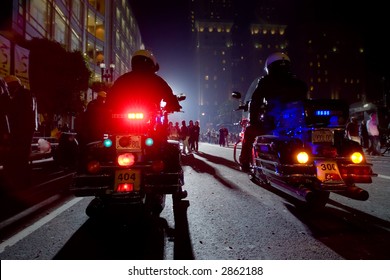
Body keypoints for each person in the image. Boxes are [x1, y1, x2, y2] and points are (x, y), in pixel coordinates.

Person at [239, 52, 308, 172]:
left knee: (250, 131)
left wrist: (254, 120)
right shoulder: (298, 82)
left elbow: (256, 101)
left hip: (274, 123)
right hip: (298, 124)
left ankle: (244, 162)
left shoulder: (266, 81)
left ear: (269, 67)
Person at [106, 49, 181, 116]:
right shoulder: (157, 80)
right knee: (161, 129)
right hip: (147, 115)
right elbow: (168, 93)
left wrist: (109, 107)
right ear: (151, 64)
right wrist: (174, 105)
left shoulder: (123, 79)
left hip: (125, 116)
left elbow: (111, 94)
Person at [3, 75, 36, 188]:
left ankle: (23, 182)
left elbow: (14, 110)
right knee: (20, 156)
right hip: (22, 129)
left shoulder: (23, 94)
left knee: (21, 156)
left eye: (8, 86)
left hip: (23, 130)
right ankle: (23, 181)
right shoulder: (22, 93)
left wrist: (6, 97)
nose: (8, 88)